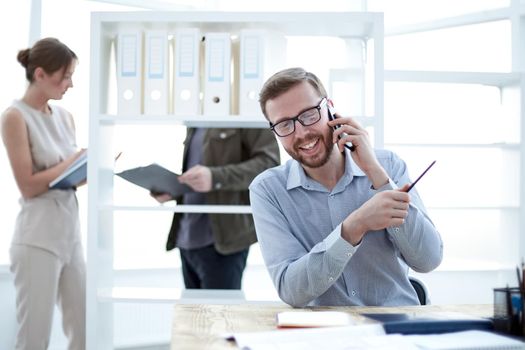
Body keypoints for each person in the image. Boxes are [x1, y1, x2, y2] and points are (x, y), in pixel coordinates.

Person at [249, 67, 443, 307]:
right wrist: (353, 227)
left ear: (330, 107)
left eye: (309, 114)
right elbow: (291, 290)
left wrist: (377, 176)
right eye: (284, 125)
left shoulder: (387, 165)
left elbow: (429, 260)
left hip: (395, 328)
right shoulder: (268, 190)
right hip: (323, 334)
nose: (301, 132)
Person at [1, 38, 86, 349]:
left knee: (85, 329)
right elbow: (28, 184)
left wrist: (88, 168)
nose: (70, 84)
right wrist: (73, 163)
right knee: (34, 338)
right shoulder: (15, 116)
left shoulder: (65, 117)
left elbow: (66, 178)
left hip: (70, 236)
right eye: (64, 76)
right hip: (37, 239)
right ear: (39, 74)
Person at [152, 127, 279, 289]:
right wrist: (173, 190)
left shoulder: (241, 113)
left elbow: (269, 166)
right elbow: (197, 174)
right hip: (186, 239)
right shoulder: (196, 121)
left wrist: (216, 177)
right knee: (193, 314)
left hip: (223, 243)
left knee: (221, 313)